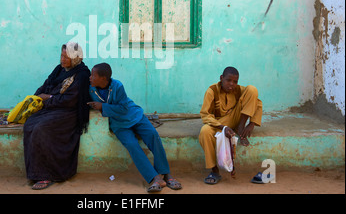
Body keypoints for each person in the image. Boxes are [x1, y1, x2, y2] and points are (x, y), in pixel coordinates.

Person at [87, 63, 182, 193]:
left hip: (134, 116)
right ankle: (154, 178)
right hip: (119, 125)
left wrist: (103, 107)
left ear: (103, 78)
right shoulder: (91, 90)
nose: (90, 77)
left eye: (93, 75)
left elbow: (123, 108)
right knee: (132, 145)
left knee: (153, 135)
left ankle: (166, 174)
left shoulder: (117, 86)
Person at [23, 42, 91, 190]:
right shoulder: (59, 69)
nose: (63, 60)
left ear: (76, 58)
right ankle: (34, 173)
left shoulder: (82, 74)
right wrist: (36, 97)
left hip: (68, 112)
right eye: (62, 55)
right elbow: (46, 85)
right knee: (29, 124)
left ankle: (46, 175)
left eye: (67, 57)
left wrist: (48, 98)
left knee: (41, 128)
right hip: (51, 108)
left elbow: (71, 99)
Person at [198, 66, 263, 184]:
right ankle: (214, 170)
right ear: (221, 78)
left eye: (235, 81)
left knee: (252, 90)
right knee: (205, 131)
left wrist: (251, 124)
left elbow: (257, 102)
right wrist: (223, 127)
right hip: (220, 123)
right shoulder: (211, 91)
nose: (231, 84)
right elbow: (205, 115)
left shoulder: (239, 90)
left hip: (238, 119)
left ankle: (240, 127)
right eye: (228, 80)